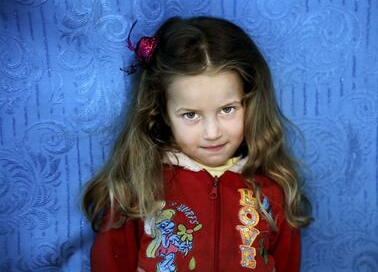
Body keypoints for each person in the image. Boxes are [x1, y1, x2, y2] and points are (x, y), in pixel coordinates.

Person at [82, 16, 312, 272]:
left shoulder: (272, 189)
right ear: (162, 113)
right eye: (190, 115)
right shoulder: (139, 184)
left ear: (250, 102)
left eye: (227, 109)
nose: (212, 133)